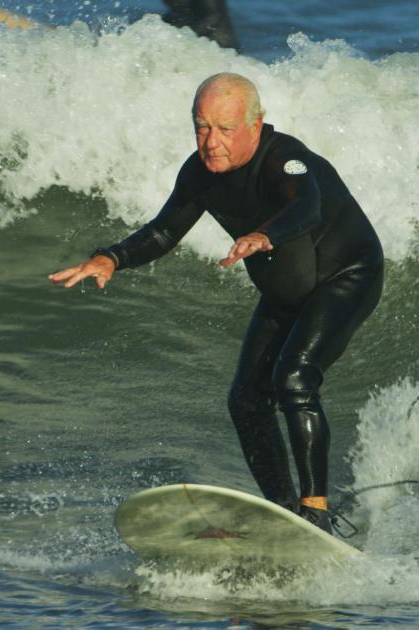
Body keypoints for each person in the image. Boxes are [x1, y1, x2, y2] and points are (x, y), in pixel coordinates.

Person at [48, 73, 384, 533]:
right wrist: (112, 257)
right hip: (286, 290)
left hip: (346, 276)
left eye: (225, 129)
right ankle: (287, 513)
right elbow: (165, 230)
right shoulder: (200, 172)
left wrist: (266, 235)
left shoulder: (287, 161)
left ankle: (316, 511)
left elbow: (307, 208)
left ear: (256, 124)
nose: (212, 142)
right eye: (202, 127)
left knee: (294, 379)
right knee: (246, 399)